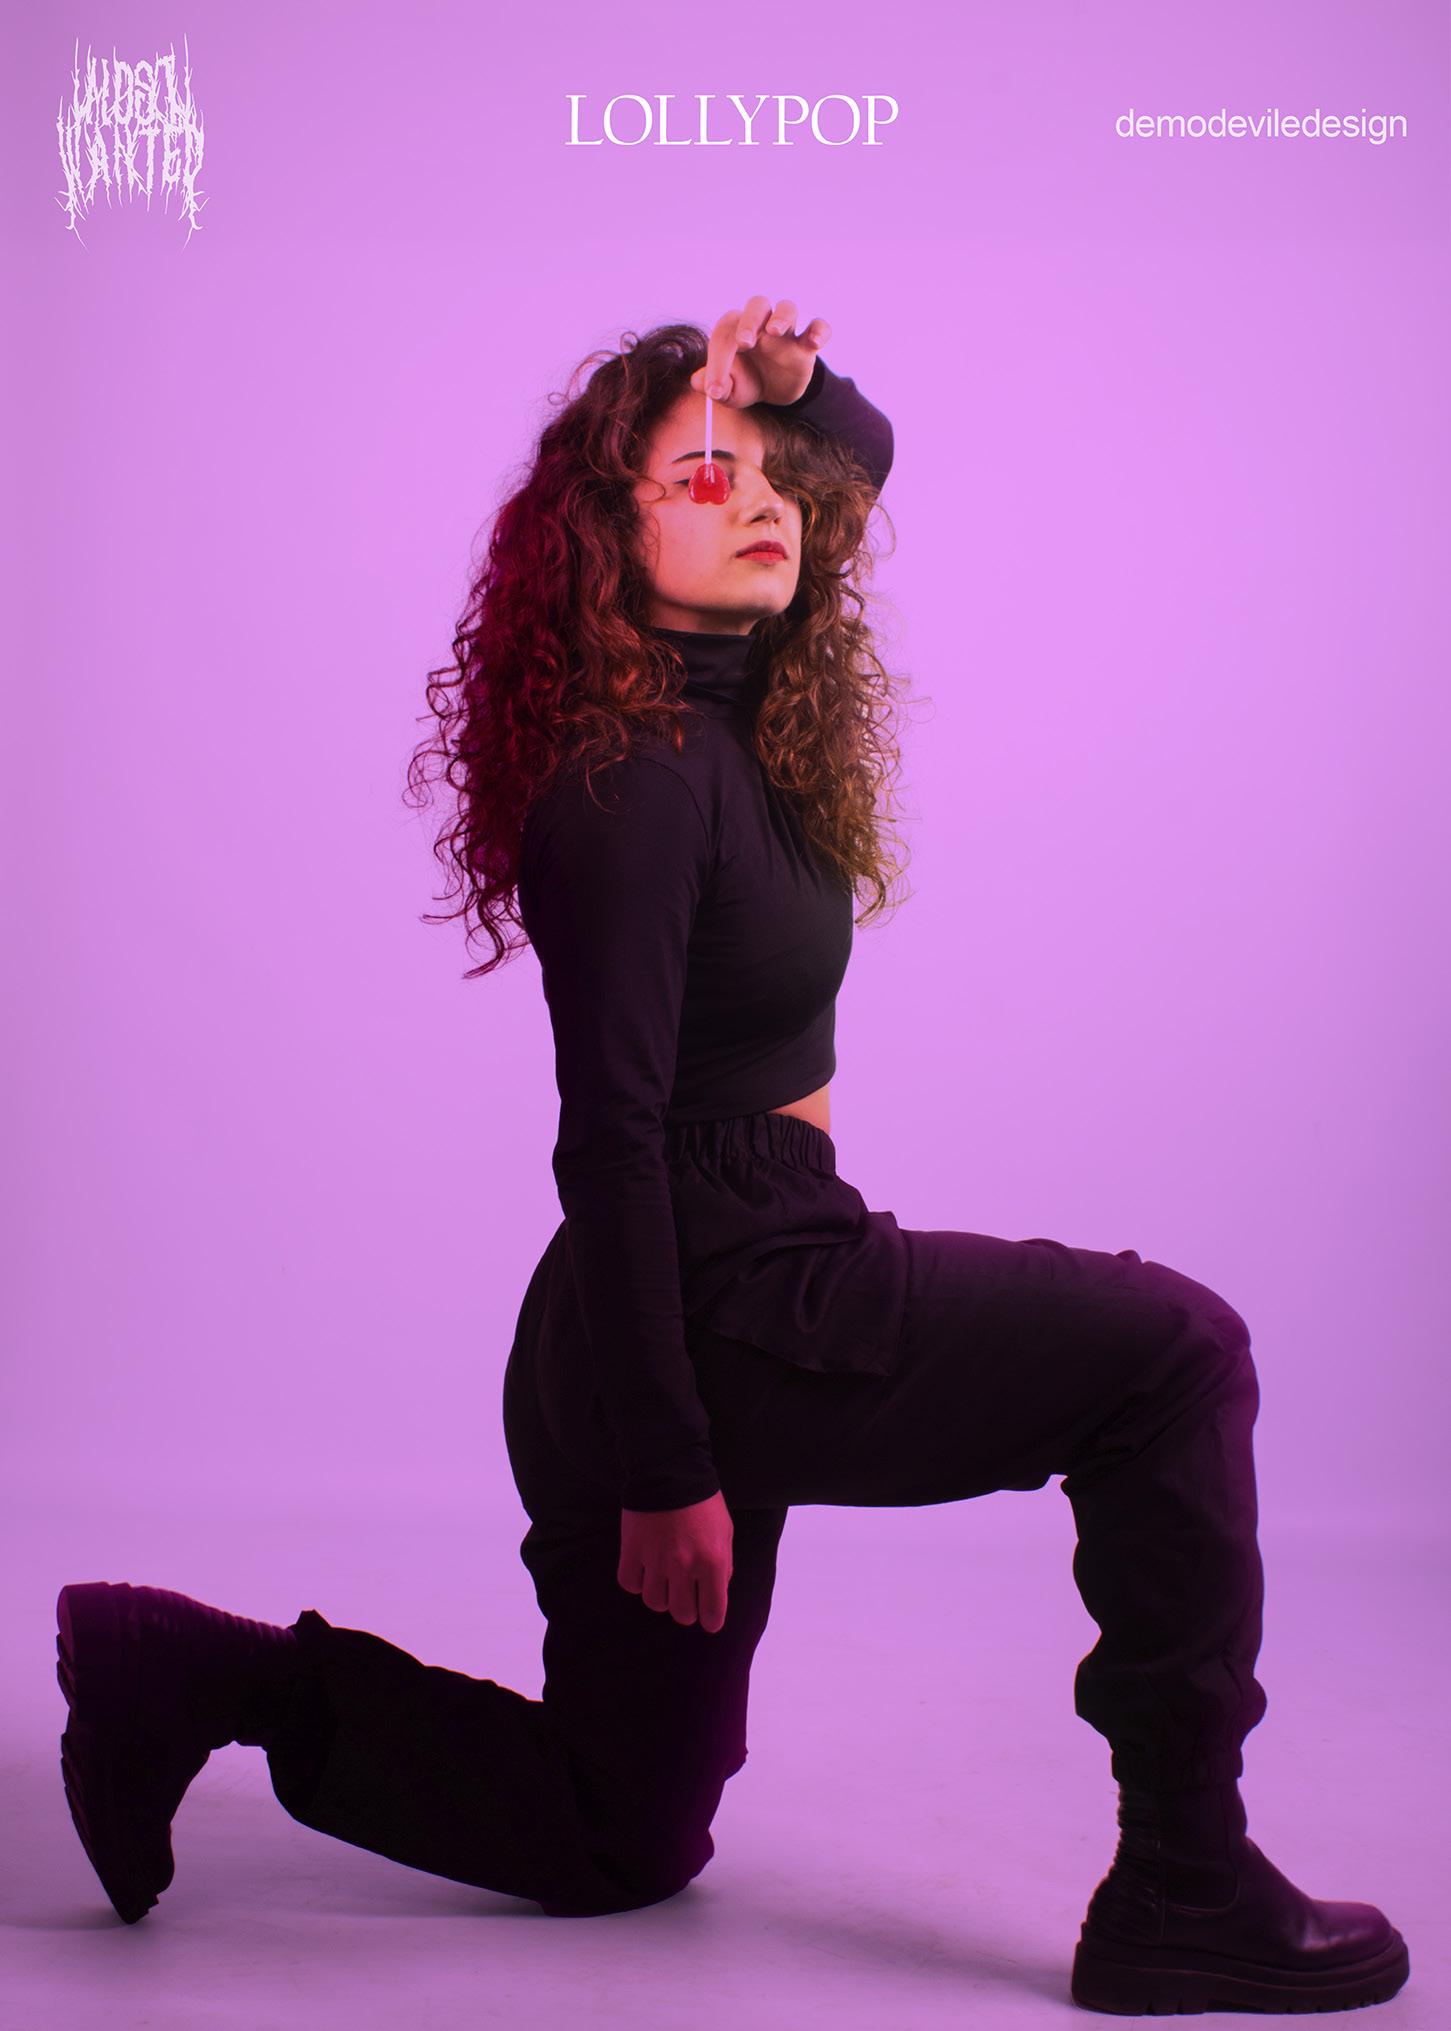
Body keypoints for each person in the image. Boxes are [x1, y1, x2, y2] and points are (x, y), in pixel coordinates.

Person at [55, 295, 1410, 2016]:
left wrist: (789, 392)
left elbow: (855, 463)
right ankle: (1185, 1885)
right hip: (713, 1306)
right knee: (1176, 1355)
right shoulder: (625, 787)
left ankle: (186, 1672)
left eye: (773, 478)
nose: (764, 499)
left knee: (617, 1830)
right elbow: (608, 1139)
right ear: (604, 539)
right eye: (704, 478)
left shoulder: (733, 708)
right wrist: (666, 1466)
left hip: (699, 1298)